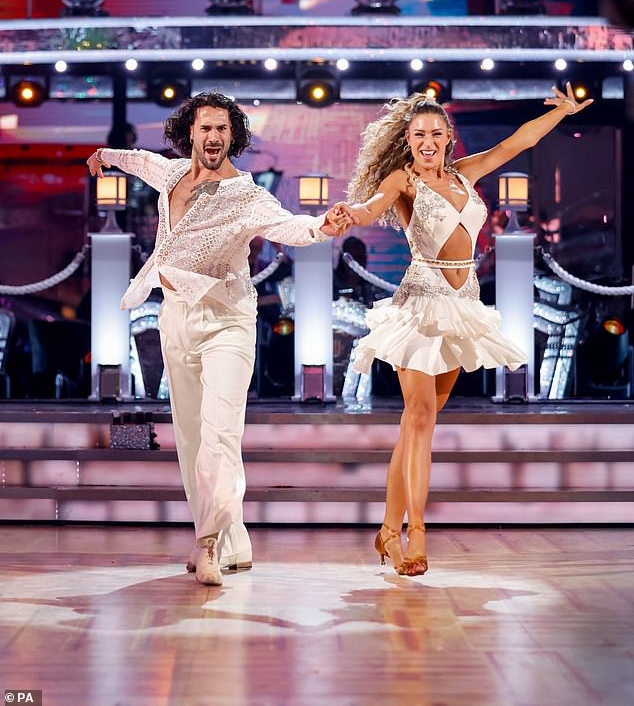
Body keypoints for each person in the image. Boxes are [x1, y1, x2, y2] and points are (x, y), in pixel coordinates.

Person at [87, 91, 351, 586]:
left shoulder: (245, 194)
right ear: (191, 131)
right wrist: (103, 157)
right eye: (206, 128)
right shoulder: (170, 175)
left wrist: (321, 226)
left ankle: (208, 544)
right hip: (176, 316)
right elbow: (137, 160)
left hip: (227, 317)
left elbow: (287, 224)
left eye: (222, 130)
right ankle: (231, 540)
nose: (213, 137)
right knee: (189, 438)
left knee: (219, 435)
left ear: (234, 137)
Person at [335, 82, 593, 577]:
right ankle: (415, 535)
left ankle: (387, 529)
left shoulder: (464, 175)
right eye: (418, 134)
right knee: (420, 414)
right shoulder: (403, 181)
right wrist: (354, 214)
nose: (427, 141)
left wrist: (561, 112)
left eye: (435, 132)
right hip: (420, 304)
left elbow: (518, 143)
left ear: (448, 136)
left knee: (418, 426)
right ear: (408, 141)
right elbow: (372, 207)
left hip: (462, 305)